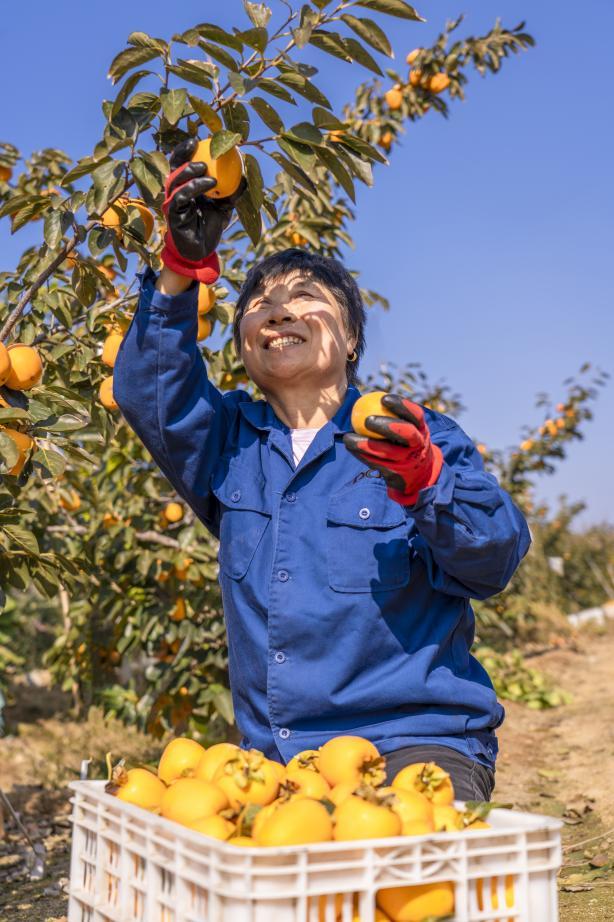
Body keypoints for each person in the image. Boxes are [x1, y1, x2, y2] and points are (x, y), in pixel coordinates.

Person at [114, 138, 531, 802]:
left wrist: (428, 481)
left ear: (351, 337)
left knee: (411, 866)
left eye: (306, 296)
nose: (278, 309)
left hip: (412, 742)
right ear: (244, 344)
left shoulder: (415, 435)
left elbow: (494, 560)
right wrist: (180, 268)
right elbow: (148, 389)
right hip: (281, 758)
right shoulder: (230, 443)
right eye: (259, 304)